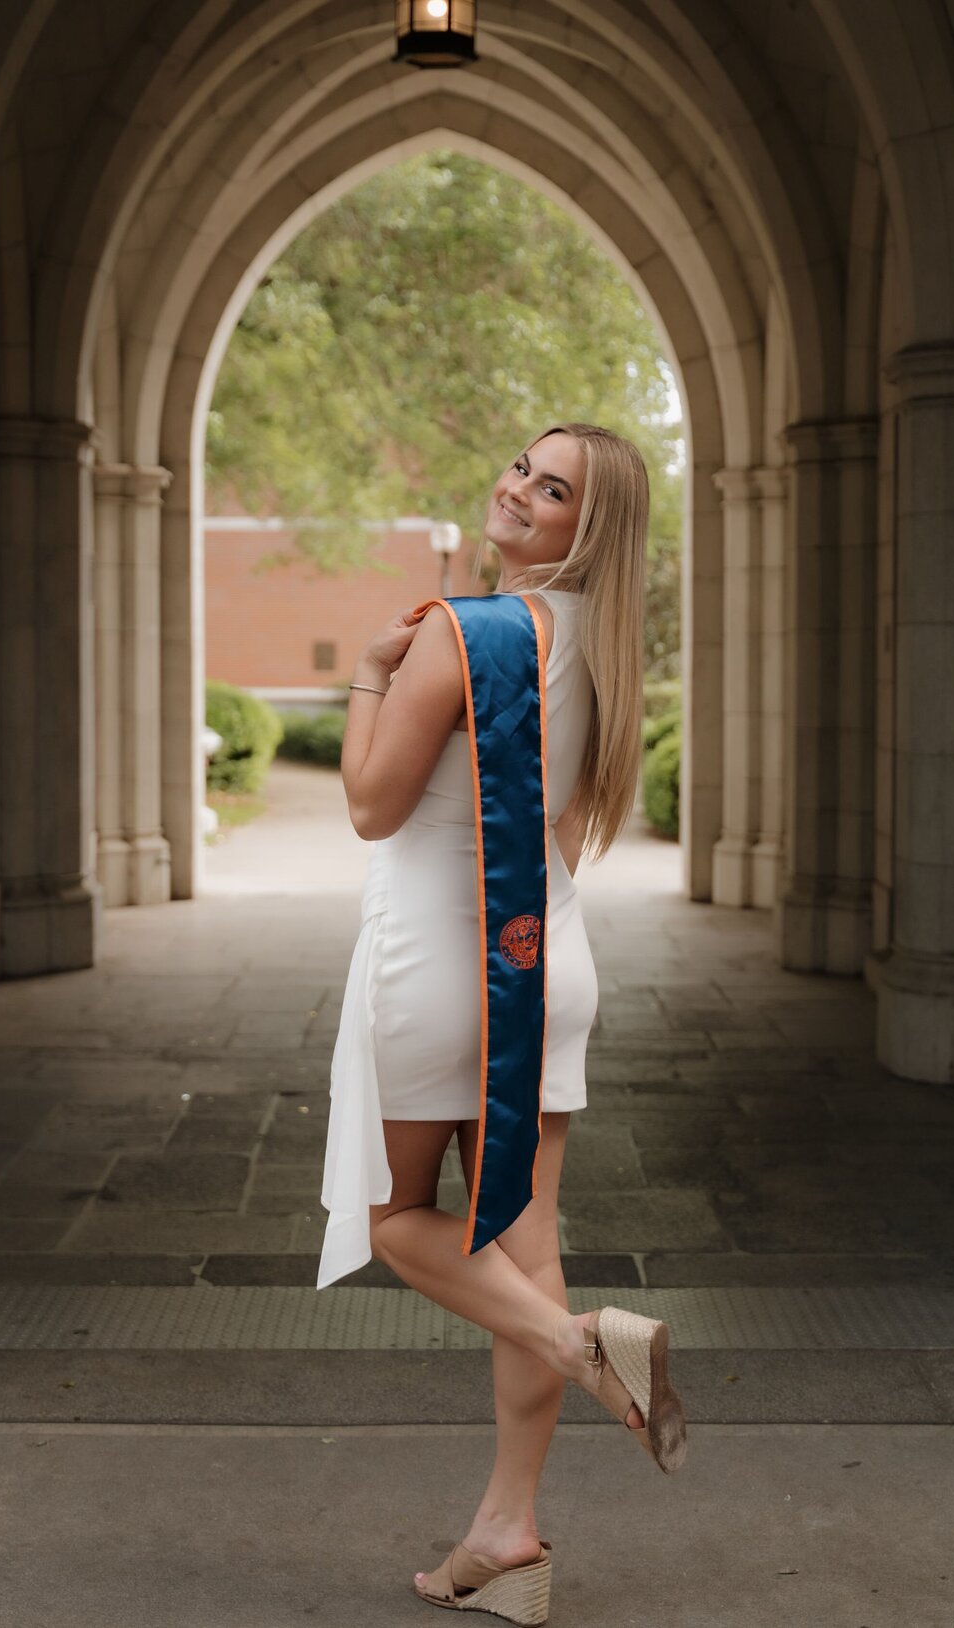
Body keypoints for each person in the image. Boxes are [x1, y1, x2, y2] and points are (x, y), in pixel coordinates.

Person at [318, 424, 686, 1623]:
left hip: (441, 965)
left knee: (397, 1222)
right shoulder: (601, 649)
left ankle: (585, 1347)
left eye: (555, 487)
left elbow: (374, 806)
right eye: (525, 468)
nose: (520, 489)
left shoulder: (464, 633)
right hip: (545, 958)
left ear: (590, 527)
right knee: (521, 1247)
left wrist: (371, 671)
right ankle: (508, 1536)